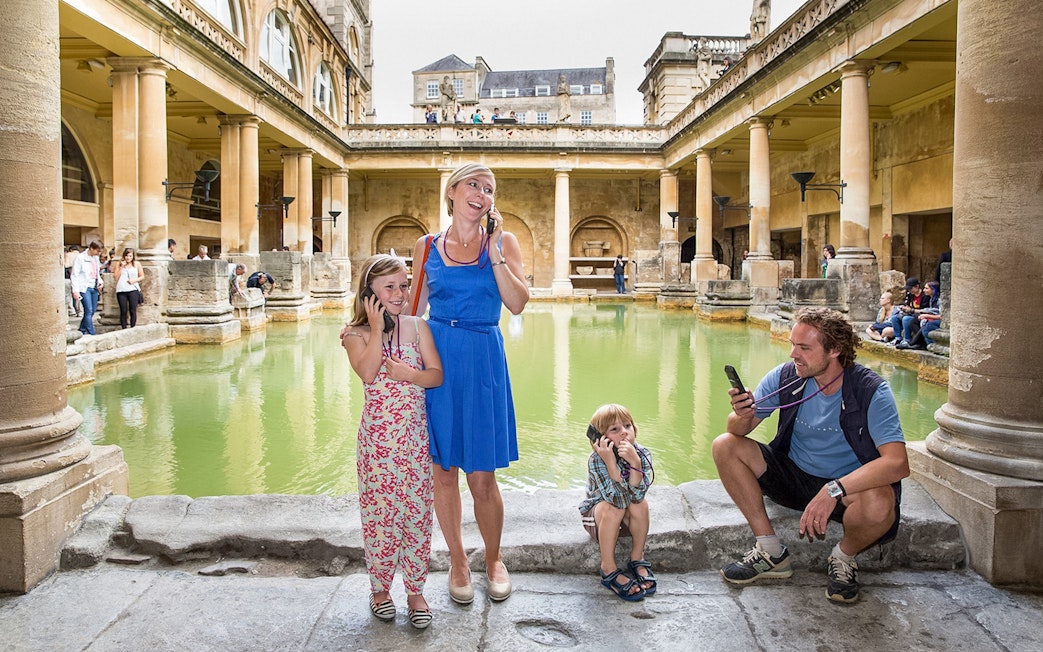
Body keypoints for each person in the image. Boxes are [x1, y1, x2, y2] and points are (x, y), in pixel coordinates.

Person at [712, 307, 909, 603]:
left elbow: (897, 463)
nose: (793, 354)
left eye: (804, 347)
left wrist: (833, 489)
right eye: (793, 344)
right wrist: (742, 413)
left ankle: (843, 557)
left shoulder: (871, 391)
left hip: (846, 489)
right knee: (724, 444)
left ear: (835, 350)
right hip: (794, 475)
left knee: (881, 503)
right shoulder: (786, 377)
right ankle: (770, 551)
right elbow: (738, 431)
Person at [408, 163, 530, 605]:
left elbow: (516, 303)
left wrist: (495, 249)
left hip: (482, 361)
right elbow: (411, 309)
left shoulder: (504, 242)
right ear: (452, 192)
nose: (481, 193)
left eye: (489, 189)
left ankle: (494, 559)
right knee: (443, 475)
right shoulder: (426, 246)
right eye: (473, 185)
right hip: (437, 360)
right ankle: (458, 561)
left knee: (482, 478)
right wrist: (367, 329)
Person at [341, 254, 444, 629]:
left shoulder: (418, 327)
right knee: (380, 518)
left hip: (414, 440)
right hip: (377, 444)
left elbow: (436, 376)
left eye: (404, 285)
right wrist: (373, 325)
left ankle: (415, 591)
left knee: (417, 516)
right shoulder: (355, 335)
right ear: (370, 293)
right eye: (390, 287)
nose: (400, 293)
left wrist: (409, 374)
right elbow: (368, 373)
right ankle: (380, 589)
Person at [578, 404, 656, 602]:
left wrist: (635, 464)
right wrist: (611, 464)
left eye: (627, 426)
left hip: (627, 518)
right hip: (599, 518)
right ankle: (608, 567)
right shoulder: (597, 460)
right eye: (614, 429)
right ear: (600, 438)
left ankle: (637, 558)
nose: (624, 432)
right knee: (614, 508)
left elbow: (637, 497)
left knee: (642, 504)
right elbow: (617, 500)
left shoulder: (642, 453)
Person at [70, 240, 104, 335]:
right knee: (88, 309)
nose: (99, 253)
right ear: (91, 249)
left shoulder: (95, 259)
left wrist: (100, 282)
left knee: (92, 310)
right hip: (84, 287)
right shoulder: (80, 258)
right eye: (97, 251)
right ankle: (91, 332)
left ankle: (82, 329)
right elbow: (74, 275)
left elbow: (96, 273)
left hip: (94, 286)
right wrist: (75, 291)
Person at [897, 281, 941, 350]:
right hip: (927, 316)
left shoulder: (939, 300)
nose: (924, 290)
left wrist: (926, 316)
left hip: (936, 319)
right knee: (913, 321)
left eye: (926, 288)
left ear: (933, 289)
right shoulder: (931, 299)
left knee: (926, 325)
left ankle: (912, 343)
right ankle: (919, 343)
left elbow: (940, 315)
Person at [888, 277, 927, 347]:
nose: (909, 290)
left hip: (918, 315)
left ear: (917, 286)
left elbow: (925, 310)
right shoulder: (910, 295)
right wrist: (903, 307)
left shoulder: (924, 296)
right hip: (910, 313)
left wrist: (911, 310)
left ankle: (907, 339)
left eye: (911, 288)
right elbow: (907, 305)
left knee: (906, 319)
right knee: (894, 318)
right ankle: (898, 338)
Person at [112, 248, 144, 329]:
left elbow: (142, 276)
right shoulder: (119, 264)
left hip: (133, 289)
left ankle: (133, 327)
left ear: (133, 257)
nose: (128, 258)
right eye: (126, 255)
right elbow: (116, 277)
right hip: (121, 289)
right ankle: (124, 328)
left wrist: (134, 280)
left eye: (130, 256)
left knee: (133, 310)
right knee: (123, 310)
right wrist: (121, 267)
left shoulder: (137, 264)